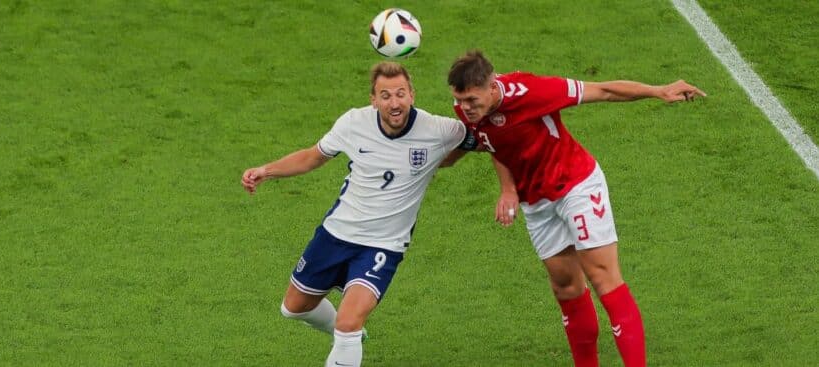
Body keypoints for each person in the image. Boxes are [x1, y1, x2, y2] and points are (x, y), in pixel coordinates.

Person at [443, 50, 705, 367]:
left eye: (471, 99)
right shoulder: (466, 110)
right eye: (460, 100)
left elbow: (603, 90)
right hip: (536, 202)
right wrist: (508, 188)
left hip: (576, 184)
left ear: (492, 85)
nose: (465, 108)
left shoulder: (534, 92)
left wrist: (658, 90)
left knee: (602, 276)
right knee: (566, 288)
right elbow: (493, 141)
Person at [241, 61, 476, 367]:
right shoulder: (353, 123)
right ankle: (350, 338)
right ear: (373, 100)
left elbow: (480, 137)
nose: (395, 103)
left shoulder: (438, 129)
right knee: (294, 307)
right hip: (336, 233)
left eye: (400, 94)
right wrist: (266, 170)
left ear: (412, 95)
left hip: (383, 246)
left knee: (348, 324)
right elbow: (313, 156)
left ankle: (348, 338)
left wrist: (445, 161)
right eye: (386, 95)